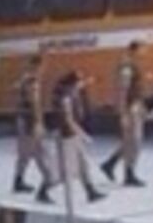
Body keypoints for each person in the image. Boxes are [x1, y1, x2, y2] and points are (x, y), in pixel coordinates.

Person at [52, 71, 104, 203]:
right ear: (72, 84)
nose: (81, 85)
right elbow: (69, 120)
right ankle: (45, 188)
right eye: (79, 83)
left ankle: (90, 191)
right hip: (67, 136)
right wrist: (83, 134)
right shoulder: (66, 98)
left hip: (72, 135)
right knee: (66, 170)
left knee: (83, 164)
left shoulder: (71, 95)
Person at [101, 41, 148, 187]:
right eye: (143, 49)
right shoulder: (126, 66)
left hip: (135, 106)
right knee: (134, 141)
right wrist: (123, 112)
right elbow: (123, 89)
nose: (144, 52)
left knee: (132, 142)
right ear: (135, 49)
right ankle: (128, 173)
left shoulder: (132, 64)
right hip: (130, 108)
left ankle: (111, 164)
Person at [11, 53, 54, 201]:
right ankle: (46, 185)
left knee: (25, 154)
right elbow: (34, 102)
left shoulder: (23, 79)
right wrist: (39, 122)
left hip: (22, 119)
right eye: (43, 66)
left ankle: (18, 181)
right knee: (40, 153)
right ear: (38, 66)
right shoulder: (33, 81)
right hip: (30, 121)